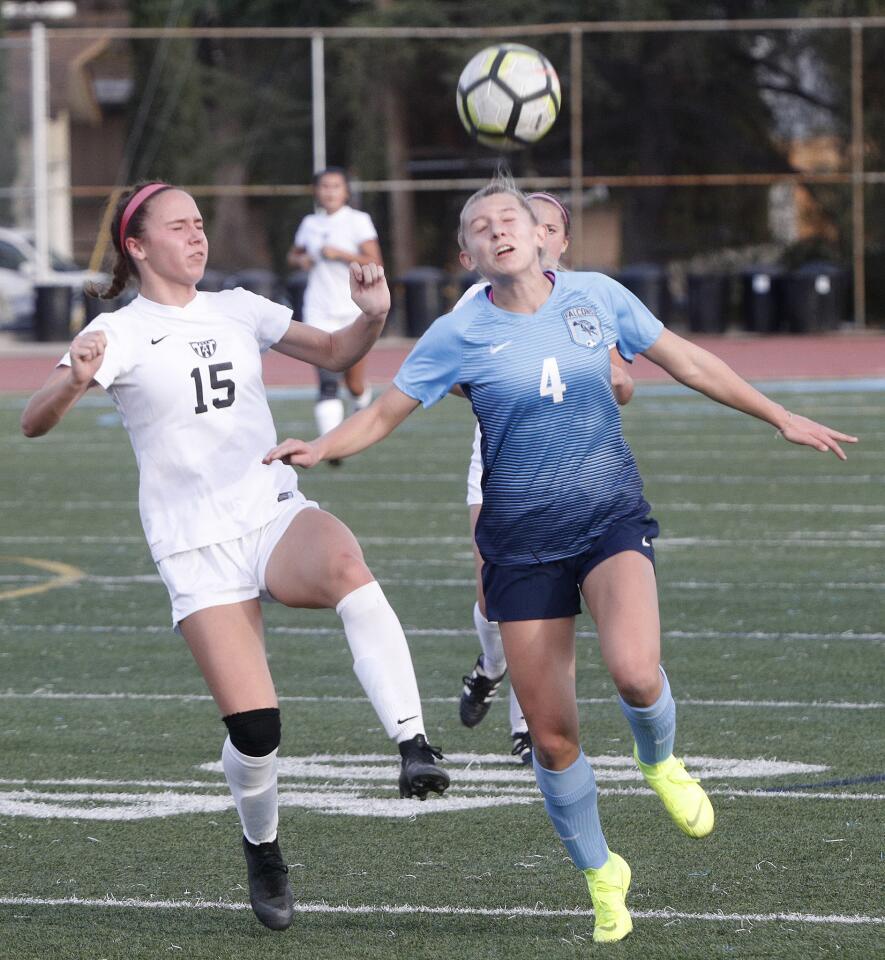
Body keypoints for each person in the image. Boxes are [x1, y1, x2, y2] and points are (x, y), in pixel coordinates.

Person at [263, 176, 857, 943]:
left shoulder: (598, 297)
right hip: (520, 546)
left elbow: (686, 359)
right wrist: (320, 445)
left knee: (636, 672)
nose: (497, 232)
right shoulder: (457, 333)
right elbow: (383, 412)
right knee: (551, 736)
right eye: (479, 227)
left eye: (508, 218)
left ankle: (661, 761)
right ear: (466, 254)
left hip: (608, 519)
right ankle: (602, 874)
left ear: (541, 235)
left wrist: (777, 415)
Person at [20, 181, 449, 934]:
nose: (196, 236)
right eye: (178, 226)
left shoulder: (240, 307)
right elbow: (34, 419)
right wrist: (77, 377)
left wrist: (373, 314)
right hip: (193, 547)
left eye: (198, 224)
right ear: (136, 245)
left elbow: (338, 349)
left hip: (269, 512)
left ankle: (413, 743)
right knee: (256, 731)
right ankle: (264, 849)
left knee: (346, 559)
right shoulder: (117, 331)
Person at [456, 192, 634, 766]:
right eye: (531, 223)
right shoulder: (480, 298)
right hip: (503, 470)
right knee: (495, 595)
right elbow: (449, 372)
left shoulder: (585, 298)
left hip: (578, 475)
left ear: (559, 240)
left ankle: (527, 726)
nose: (540, 234)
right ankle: (490, 666)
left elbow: (621, 376)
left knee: (555, 602)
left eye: (550, 226)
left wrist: (611, 381)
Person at [287, 167, 382, 443]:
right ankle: (330, 443)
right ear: (316, 191)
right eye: (324, 187)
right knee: (327, 380)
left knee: (353, 383)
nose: (330, 192)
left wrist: (340, 254)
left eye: (336, 186)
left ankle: (361, 399)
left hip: (353, 309)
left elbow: (375, 262)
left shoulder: (358, 221)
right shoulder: (310, 223)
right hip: (318, 308)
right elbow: (294, 255)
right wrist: (301, 261)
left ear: (346, 191)